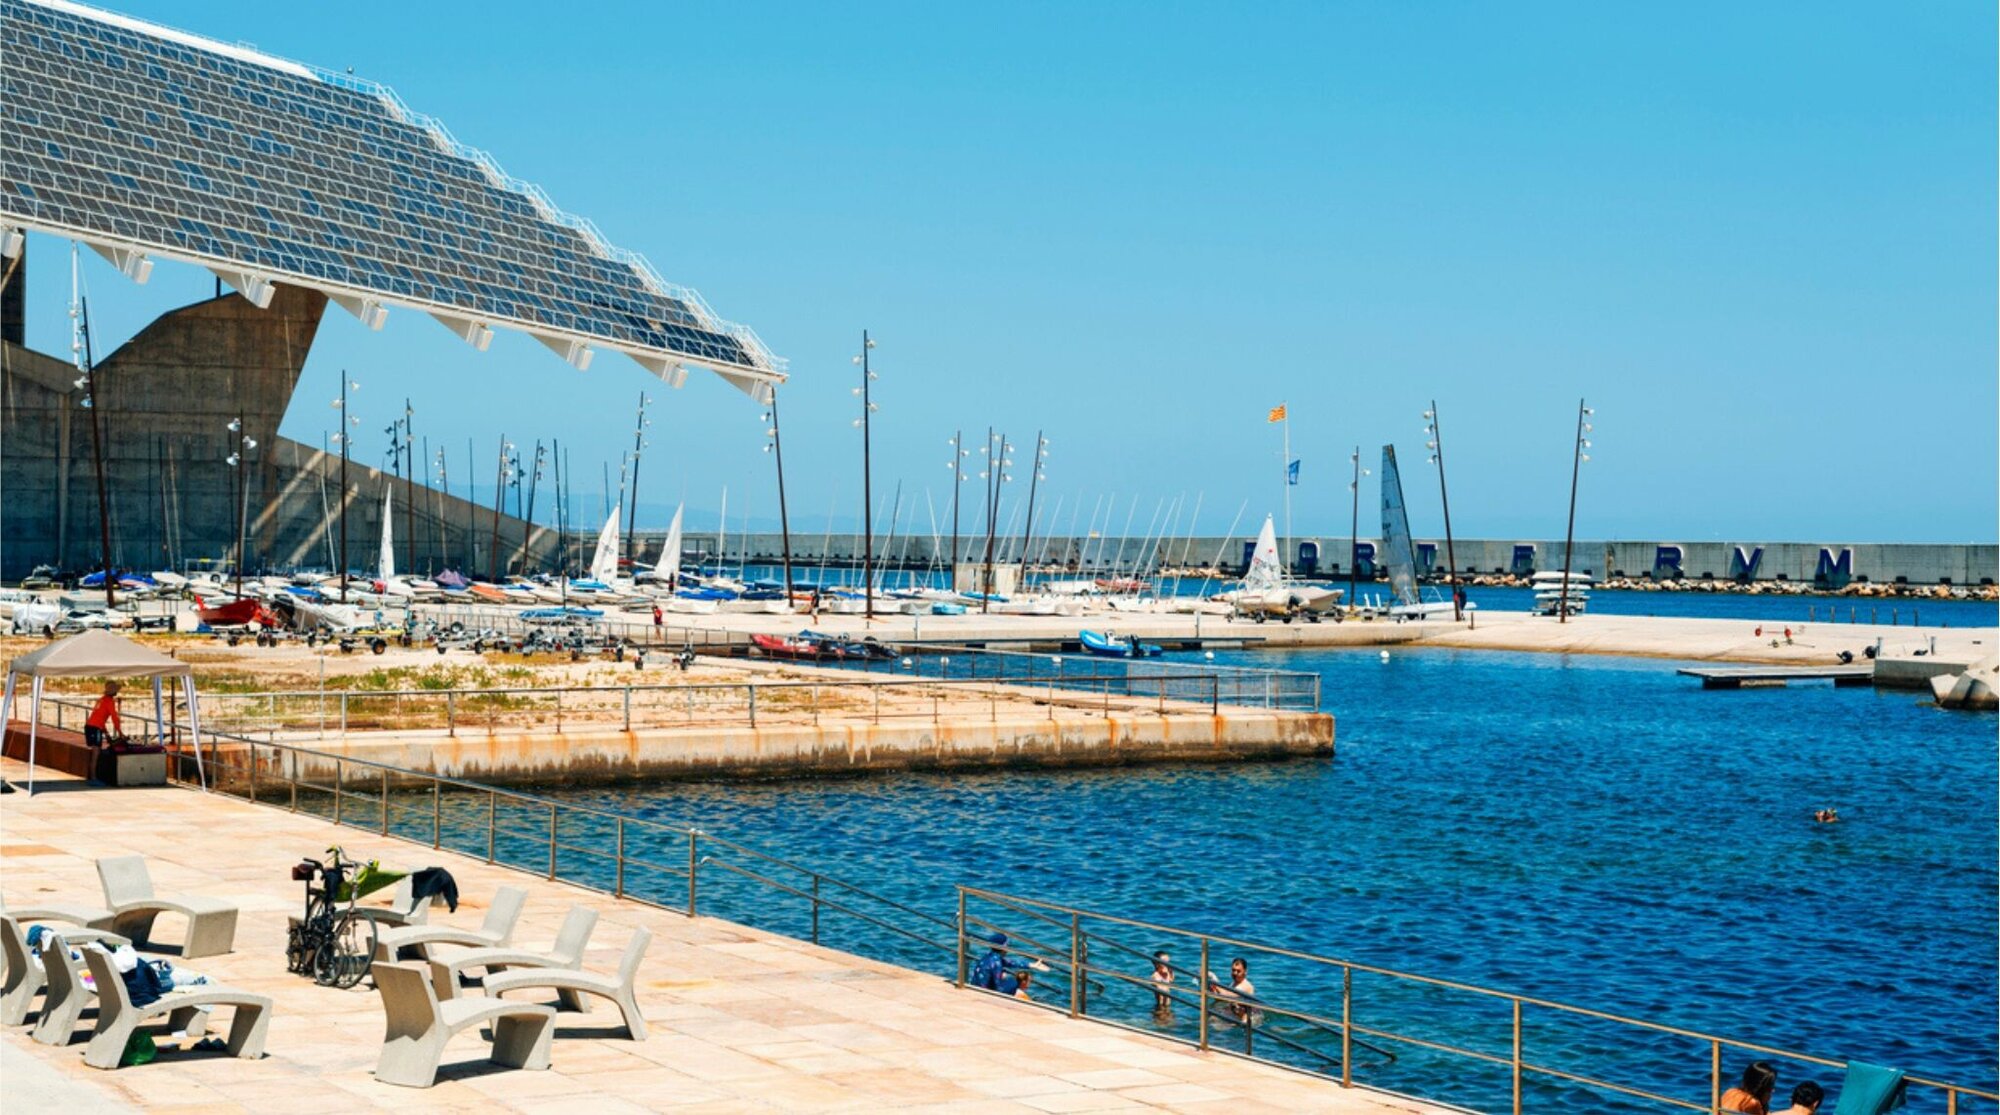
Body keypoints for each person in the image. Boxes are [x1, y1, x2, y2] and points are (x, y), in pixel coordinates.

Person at [1207, 957, 1261, 1026]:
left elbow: (1227, 994)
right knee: (1211, 1018)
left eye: (1238, 971)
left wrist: (1213, 977)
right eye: (1233, 970)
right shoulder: (1234, 983)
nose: (1235, 973)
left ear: (1245, 971)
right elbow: (1223, 998)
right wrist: (1213, 989)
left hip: (1247, 1018)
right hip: (1235, 1012)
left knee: (1215, 1025)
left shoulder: (1246, 986)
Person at [85, 680, 122, 747]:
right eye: (116, 690)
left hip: (89, 726)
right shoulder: (110, 701)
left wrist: (106, 733)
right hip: (96, 727)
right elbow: (114, 717)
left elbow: (100, 718)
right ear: (113, 691)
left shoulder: (101, 699)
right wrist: (120, 732)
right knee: (96, 748)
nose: (117, 692)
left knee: (94, 747)